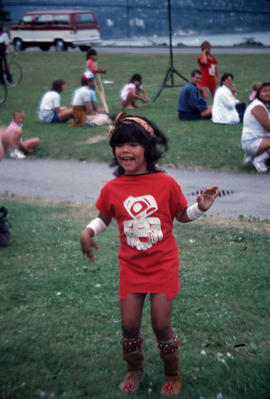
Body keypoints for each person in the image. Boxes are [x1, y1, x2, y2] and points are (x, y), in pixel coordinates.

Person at [80, 111, 220, 396]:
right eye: (120, 145)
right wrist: (89, 231)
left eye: (133, 144)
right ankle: (134, 368)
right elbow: (104, 217)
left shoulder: (166, 184)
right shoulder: (112, 188)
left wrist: (200, 208)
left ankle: (172, 373)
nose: (125, 150)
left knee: (160, 323)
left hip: (162, 265)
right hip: (131, 267)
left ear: (148, 148)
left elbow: (181, 215)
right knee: (129, 325)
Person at [241, 82, 270, 173]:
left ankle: (250, 157)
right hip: (252, 142)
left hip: (253, 140)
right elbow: (268, 127)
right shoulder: (258, 106)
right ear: (259, 93)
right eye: (264, 91)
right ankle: (259, 160)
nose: (268, 93)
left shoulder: (262, 105)